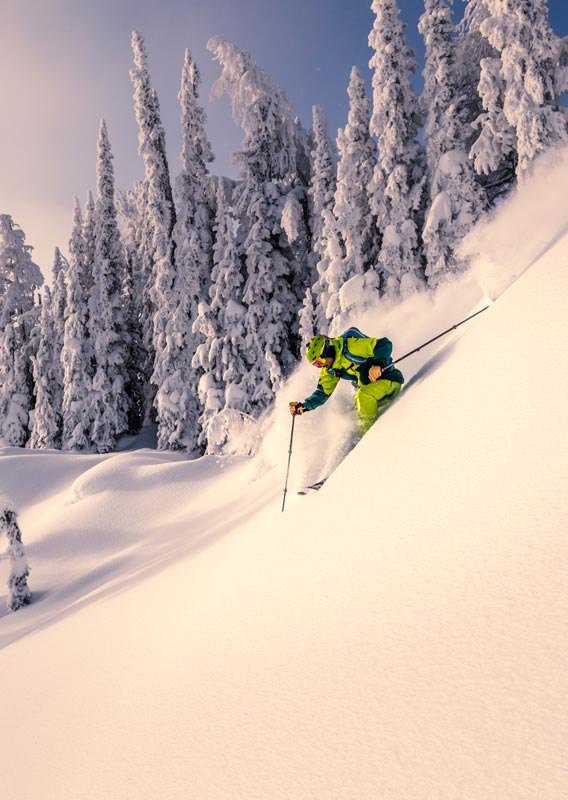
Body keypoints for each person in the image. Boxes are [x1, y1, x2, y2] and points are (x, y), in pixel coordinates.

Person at [289, 331, 404, 435]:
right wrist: (304, 406)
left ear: (327, 351)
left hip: (389, 381)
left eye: (320, 362)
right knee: (352, 414)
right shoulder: (331, 370)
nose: (321, 366)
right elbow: (322, 392)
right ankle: (356, 444)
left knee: (362, 395)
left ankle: (370, 438)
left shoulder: (350, 347)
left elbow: (383, 344)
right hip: (375, 393)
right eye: (316, 364)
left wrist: (378, 364)